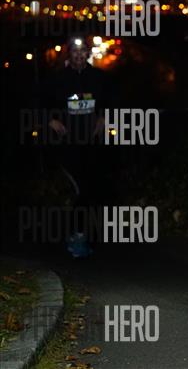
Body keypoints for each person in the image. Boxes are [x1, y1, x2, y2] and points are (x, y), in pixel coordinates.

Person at [45, 37, 112, 257]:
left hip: (92, 144)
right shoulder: (58, 79)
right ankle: (77, 236)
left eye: (83, 51)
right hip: (68, 145)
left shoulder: (99, 78)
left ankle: (82, 234)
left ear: (88, 53)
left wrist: (104, 117)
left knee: (92, 189)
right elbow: (40, 101)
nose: (79, 55)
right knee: (80, 189)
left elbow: (111, 101)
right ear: (69, 54)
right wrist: (50, 120)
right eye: (75, 51)